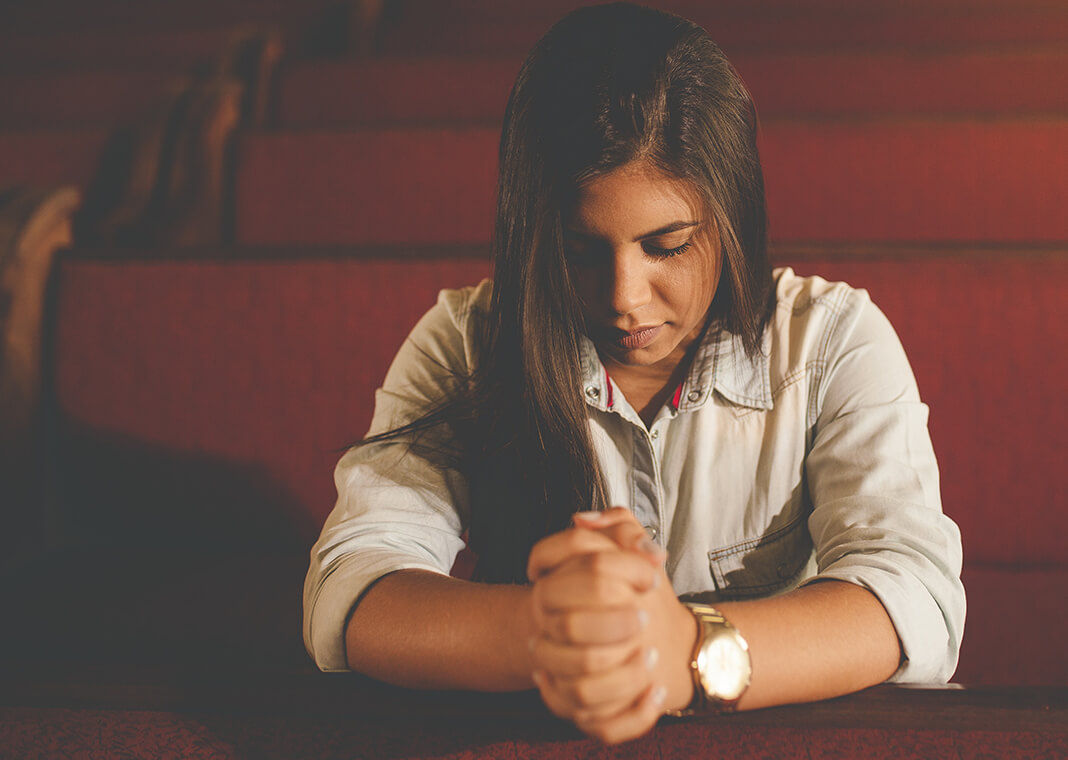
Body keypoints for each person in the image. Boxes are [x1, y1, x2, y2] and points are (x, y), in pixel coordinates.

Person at [303, 2, 965, 745]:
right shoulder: (468, 342)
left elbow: (914, 598)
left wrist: (679, 652)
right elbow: (353, 588)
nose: (623, 298)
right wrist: (545, 632)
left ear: (731, 217)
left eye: (667, 245)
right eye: (580, 251)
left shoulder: (831, 341)